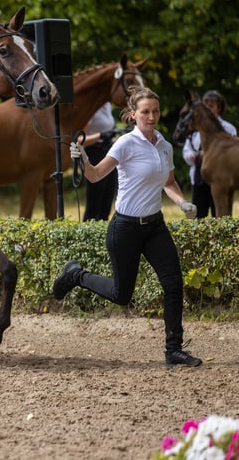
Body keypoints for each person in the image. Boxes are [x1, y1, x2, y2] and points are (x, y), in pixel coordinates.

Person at [52, 86, 202, 367]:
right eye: (145, 112)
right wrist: (83, 156)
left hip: (155, 227)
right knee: (121, 296)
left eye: (155, 111)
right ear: (133, 114)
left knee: (173, 284)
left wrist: (182, 202)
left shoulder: (165, 146)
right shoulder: (125, 144)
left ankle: (173, 351)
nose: (151, 116)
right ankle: (76, 275)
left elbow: (169, 183)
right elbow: (95, 176)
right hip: (125, 229)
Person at [181, 90, 237, 218]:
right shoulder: (196, 128)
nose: (207, 108)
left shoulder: (228, 128)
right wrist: (192, 156)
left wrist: (208, 155)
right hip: (198, 177)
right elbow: (186, 149)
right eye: (205, 105)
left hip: (221, 176)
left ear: (219, 108)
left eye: (211, 105)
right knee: (198, 213)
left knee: (218, 209)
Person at [81, 102, 119, 220]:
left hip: (109, 151)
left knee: (108, 198)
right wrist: (100, 135)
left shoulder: (107, 105)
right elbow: (79, 139)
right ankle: (89, 227)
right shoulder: (92, 107)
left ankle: (103, 227)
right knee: (94, 202)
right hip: (94, 153)